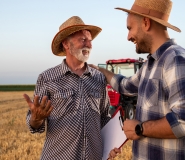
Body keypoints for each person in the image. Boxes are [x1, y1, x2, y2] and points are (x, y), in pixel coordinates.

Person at [90, 0, 185, 159]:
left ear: (146, 23)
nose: (128, 36)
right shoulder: (150, 64)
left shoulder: (175, 60)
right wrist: (101, 71)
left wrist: (140, 128)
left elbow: (182, 121)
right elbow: (124, 85)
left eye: (130, 28)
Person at [23, 16, 111, 160]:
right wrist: (36, 119)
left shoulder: (99, 78)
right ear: (66, 44)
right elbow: (34, 125)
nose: (89, 45)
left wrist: (112, 144)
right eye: (83, 40)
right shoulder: (47, 78)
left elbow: (105, 117)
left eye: (90, 40)